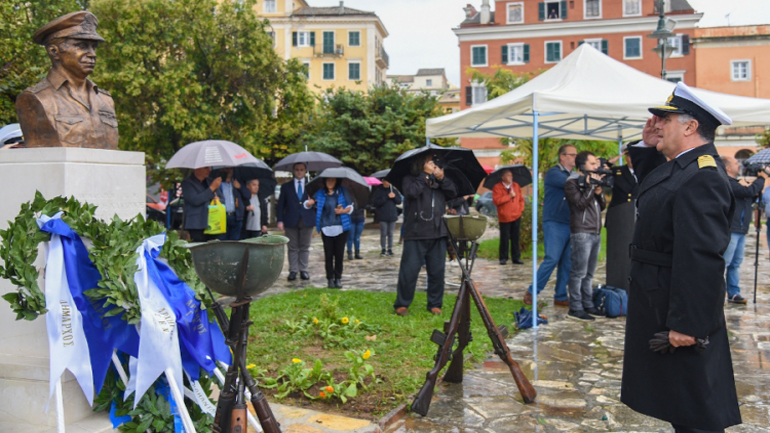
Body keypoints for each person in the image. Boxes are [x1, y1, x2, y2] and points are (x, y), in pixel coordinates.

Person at [621, 82, 741, 432]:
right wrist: (647, 145)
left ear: (690, 127)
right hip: (660, 297)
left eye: (666, 119)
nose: (657, 124)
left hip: (678, 308)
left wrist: (688, 325)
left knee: (695, 409)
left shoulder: (703, 176)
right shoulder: (682, 166)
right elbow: (655, 189)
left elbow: (701, 257)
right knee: (680, 401)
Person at [16, 11, 118, 149]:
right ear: (54, 51)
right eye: (81, 46)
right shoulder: (36, 99)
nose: (92, 54)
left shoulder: (105, 100)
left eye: (94, 47)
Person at [394, 153, 457, 316]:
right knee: (409, 270)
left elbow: (453, 194)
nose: (433, 164)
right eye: (430, 162)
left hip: (438, 233)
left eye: (434, 162)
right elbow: (411, 193)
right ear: (421, 164)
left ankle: (435, 304)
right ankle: (402, 304)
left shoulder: (440, 181)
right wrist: (424, 176)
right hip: (416, 232)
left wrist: (442, 178)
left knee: (437, 271)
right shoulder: (410, 179)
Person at [523, 144, 576, 307]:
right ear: (563, 157)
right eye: (572, 155)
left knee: (567, 262)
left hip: (571, 222)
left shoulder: (573, 174)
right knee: (552, 258)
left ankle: (560, 295)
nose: (575, 158)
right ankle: (532, 291)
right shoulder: (554, 173)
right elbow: (570, 184)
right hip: (554, 222)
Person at [564, 151, 606, 321]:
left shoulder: (591, 183)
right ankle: (575, 307)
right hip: (582, 232)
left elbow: (601, 206)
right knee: (578, 273)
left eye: (596, 163)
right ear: (582, 166)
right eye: (592, 164)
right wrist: (590, 187)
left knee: (589, 274)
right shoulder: (571, 182)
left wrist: (598, 192)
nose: (596, 167)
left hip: (595, 232)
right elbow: (580, 205)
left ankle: (588, 305)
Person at [721, 156, 767, 304]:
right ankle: (717, 292)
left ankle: (733, 292)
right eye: (736, 163)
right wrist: (761, 179)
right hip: (732, 229)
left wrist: (755, 189)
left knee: (736, 263)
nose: (739, 165)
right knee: (725, 263)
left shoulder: (737, 184)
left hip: (741, 229)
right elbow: (746, 192)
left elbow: (748, 197)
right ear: (728, 167)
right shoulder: (727, 182)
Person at [305, 178, 353, 288]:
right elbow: (309, 204)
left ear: (337, 181)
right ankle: (330, 279)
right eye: (328, 181)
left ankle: (338, 278)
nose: (330, 183)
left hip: (341, 227)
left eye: (333, 180)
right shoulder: (320, 193)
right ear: (325, 182)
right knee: (329, 255)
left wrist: (342, 211)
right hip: (326, 227)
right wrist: (309, 203)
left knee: (339, 255)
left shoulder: (342, 191)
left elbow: (351, 207)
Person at [604, 145, 639, 290]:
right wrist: (611, 161)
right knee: (619, 257)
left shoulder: (646, 171)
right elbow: (601, 170)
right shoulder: (617, 171)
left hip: (637, 218)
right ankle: (618, 285)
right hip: (619, 219)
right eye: (628, 155)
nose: (631, 159)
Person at [277, 163, 315, 281]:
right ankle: (293, 270)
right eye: (297, 170)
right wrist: (280, 220)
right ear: (293, 171)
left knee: (304, 246)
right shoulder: (286, 186)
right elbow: (280, 205)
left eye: (301, 170)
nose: (299, 172)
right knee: (292, 247)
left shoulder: (311, 186)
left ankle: (304, 270)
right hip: (290, 219)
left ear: (305, 171)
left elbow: (317, 203)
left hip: (307, 219)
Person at [492, 170, 525, 265]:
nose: (511, 177)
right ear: (503, 177)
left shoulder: (516, 186)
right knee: (504, 238)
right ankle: (503, 257)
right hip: (504, 216)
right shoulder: (497, 187)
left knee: (516, 237)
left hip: (516, 215)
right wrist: (509, 196)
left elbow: (521, 200)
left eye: (511, 175)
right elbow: (496, 201)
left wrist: (520, 210)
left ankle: (516, 257)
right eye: (508, 175)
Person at [181, 166, 222, 242]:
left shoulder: (210, 181)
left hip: (213, 223)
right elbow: (195, 200)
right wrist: (211, 188)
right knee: (199, 249)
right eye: (206, 168)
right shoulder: (187, 183)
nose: (209, 170)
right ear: (197, 168)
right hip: (197, 224)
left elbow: (222, 199)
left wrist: (218, 199)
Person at [217, 167, 249, 241]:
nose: (228, 171)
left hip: (236, 216)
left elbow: (248, 195)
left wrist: (240, 187)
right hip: (222, 216)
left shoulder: (237, 181)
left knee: (235, 241)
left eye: (230, 169)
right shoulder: (218, 183)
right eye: (225, 169)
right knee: (222, 241)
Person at [371, 179, 401, 256]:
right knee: (383, 233)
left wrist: (394, 197)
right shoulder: (378, 191)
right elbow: (375, 202)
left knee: (391, 233)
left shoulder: (393, 190)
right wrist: (386, 197)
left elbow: (399, 201)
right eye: (387, 181)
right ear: (383, 181)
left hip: (392, 215)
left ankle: (390, 248)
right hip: (382, 215)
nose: (388, 182)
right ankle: (383, 248)